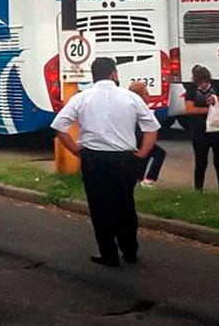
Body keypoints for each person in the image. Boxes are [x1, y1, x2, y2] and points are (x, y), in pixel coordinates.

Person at [52, 58, 160, 267]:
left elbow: (60, 126)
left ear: (93, 75)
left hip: (94, 157)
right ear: (114, 74)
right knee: (125, 204)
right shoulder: (131, 98)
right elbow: (151, 128)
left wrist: (75, 149)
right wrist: (142, 153)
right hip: (124, 158)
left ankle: (108, 253)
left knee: (100, 207)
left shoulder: (81, 98)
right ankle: (130, 250)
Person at [184, 65, 219, 192]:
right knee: (200, 162)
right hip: (200, 131)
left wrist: (216, 101)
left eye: (205, 82)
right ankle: (198, 190)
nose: (203, 85)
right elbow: (189, 109)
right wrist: (209, 110)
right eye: (200, 83)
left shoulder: (218, 86)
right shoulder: (191, 90)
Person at [128, 81, 167, 188]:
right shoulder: (140, 106)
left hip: (135, 136)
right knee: (159, 153)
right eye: (146, 93)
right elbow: (151, 126)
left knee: (146, 155)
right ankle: (149, 179)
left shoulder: (129, 104)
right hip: (140, 136)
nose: (148, 96)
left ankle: (139, 178)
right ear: (140, 95)